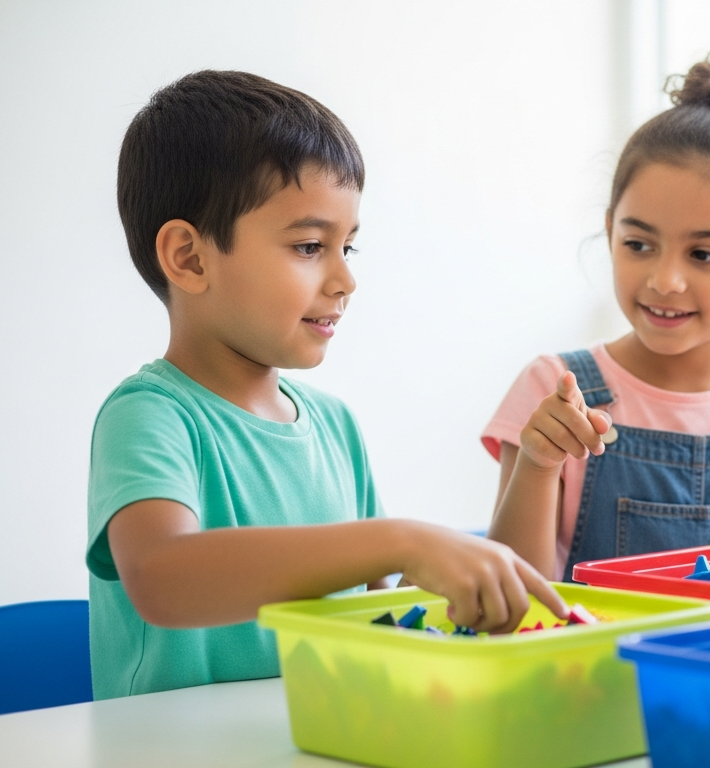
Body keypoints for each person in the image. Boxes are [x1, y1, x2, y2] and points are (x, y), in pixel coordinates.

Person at [89, 70, 565, 700]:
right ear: (190, 257)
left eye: (349, 247)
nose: (345, 279)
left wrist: (533, 465)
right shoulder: (151, 416)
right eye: (311, 246)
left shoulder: (334, 426)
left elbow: (401, 622)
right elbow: (160, 577)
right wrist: (399, 540)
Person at [484, 49, 710, 582]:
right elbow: (511, 588)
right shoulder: (553, 389)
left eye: (703, 255)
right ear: (611, 233)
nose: (664, 280)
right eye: (638, 243)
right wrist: (540, 461)